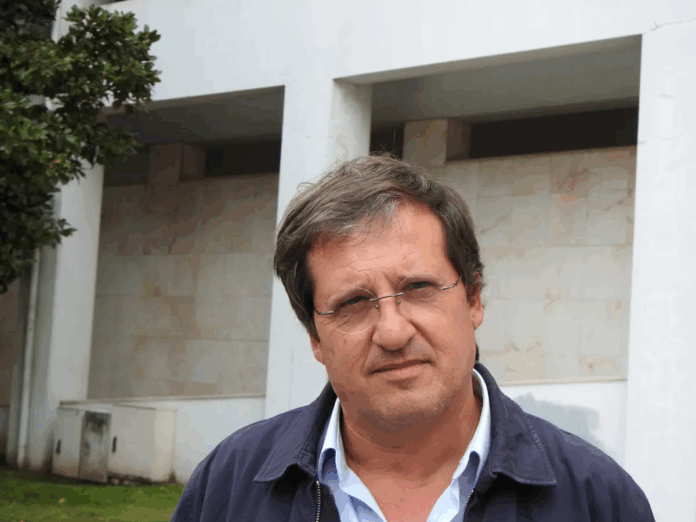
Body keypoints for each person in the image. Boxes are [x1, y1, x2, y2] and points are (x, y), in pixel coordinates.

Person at [171, 155, 654, 521]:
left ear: (473, 299)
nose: (393, 331)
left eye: (419, 288)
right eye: (353, 302)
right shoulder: (227, 487)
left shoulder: (597, 499)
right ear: (315, 336)